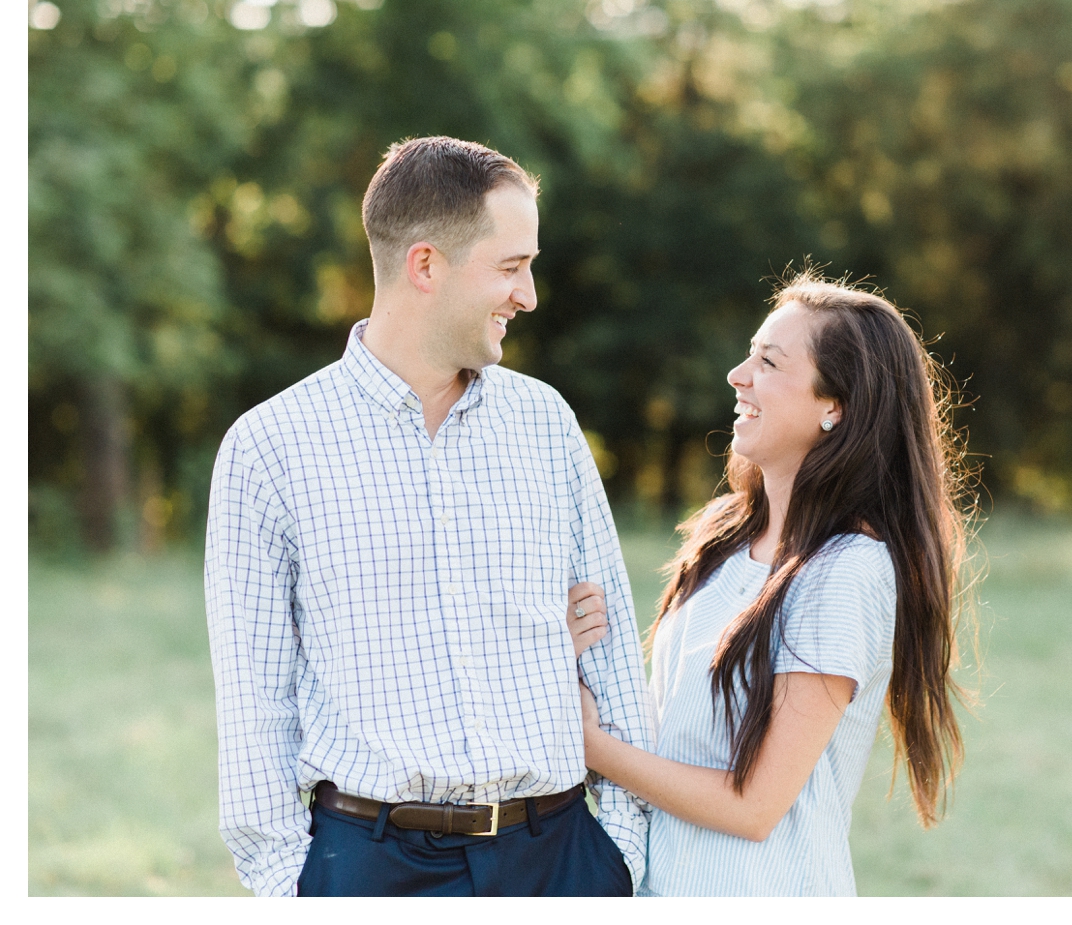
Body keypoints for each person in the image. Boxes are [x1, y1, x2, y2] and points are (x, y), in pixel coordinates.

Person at [204, 136, 652, 897]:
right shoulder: (270, 447)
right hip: (373, 867)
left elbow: (610, 657)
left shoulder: (545, 424)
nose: (529, 294)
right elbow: (254, 701)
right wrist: (296, 889)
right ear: (424, 265)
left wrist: (620, 853)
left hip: (563, 858)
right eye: (511, 267)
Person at [568, 272, 981, 896]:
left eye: (769, 362)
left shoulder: (846, 572)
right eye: (748, 354)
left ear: (834, 406)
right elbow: (667, 732)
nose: (738, 375)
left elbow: (753, 807)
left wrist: (589, 744)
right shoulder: (723, 539)